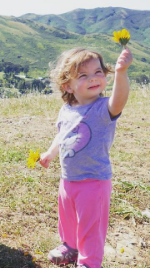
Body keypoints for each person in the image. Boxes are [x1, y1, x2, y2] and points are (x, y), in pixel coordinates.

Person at [39, 47, 133, 268]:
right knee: (68, 218)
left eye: (98, 72)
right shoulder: (67, 109)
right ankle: (71, 247)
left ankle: (89, 263)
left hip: (94, 181)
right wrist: (50, 154)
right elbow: (62, 135)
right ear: (67, 86)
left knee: (91, 227)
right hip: (68, 178)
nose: (93, 79)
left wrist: (121, 72)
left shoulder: (103, 108)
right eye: (83, 75)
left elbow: (120, 100)